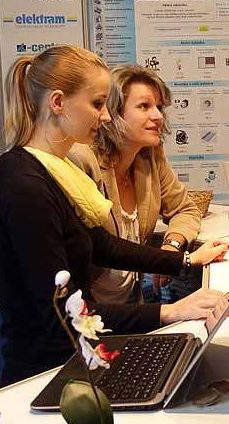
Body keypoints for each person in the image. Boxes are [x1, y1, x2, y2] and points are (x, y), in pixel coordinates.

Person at [0, 45, 229, 386]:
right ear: (58, 102)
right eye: (97, 104)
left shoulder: (55, 171)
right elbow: (62, 313)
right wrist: (169, 312)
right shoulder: (25, 183)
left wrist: (183, 261)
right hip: (50, 373)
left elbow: (103, 245)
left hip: (82, 355)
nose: (105, 117)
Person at [68, 64, 203, 305]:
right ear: (112, 112)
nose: (158, 116)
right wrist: (171, 261)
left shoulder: (150, 156)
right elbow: (92, 248)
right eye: (144, 106)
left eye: (159, 107)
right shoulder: (83, 160)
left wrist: (171, 246)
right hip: (85, 309)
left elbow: (185, 209)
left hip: (131, 300)